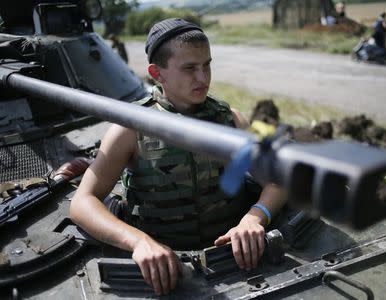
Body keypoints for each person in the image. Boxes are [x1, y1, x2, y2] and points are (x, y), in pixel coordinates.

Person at [70, 18, 286, 296]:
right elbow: (82, 202)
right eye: (190, 68)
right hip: (168, 273)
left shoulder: (230, 120)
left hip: (236, 264)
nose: (203, 77)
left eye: (207, 64)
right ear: (157, 73)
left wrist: (254, 218)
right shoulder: (130, 127)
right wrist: (139, 242)